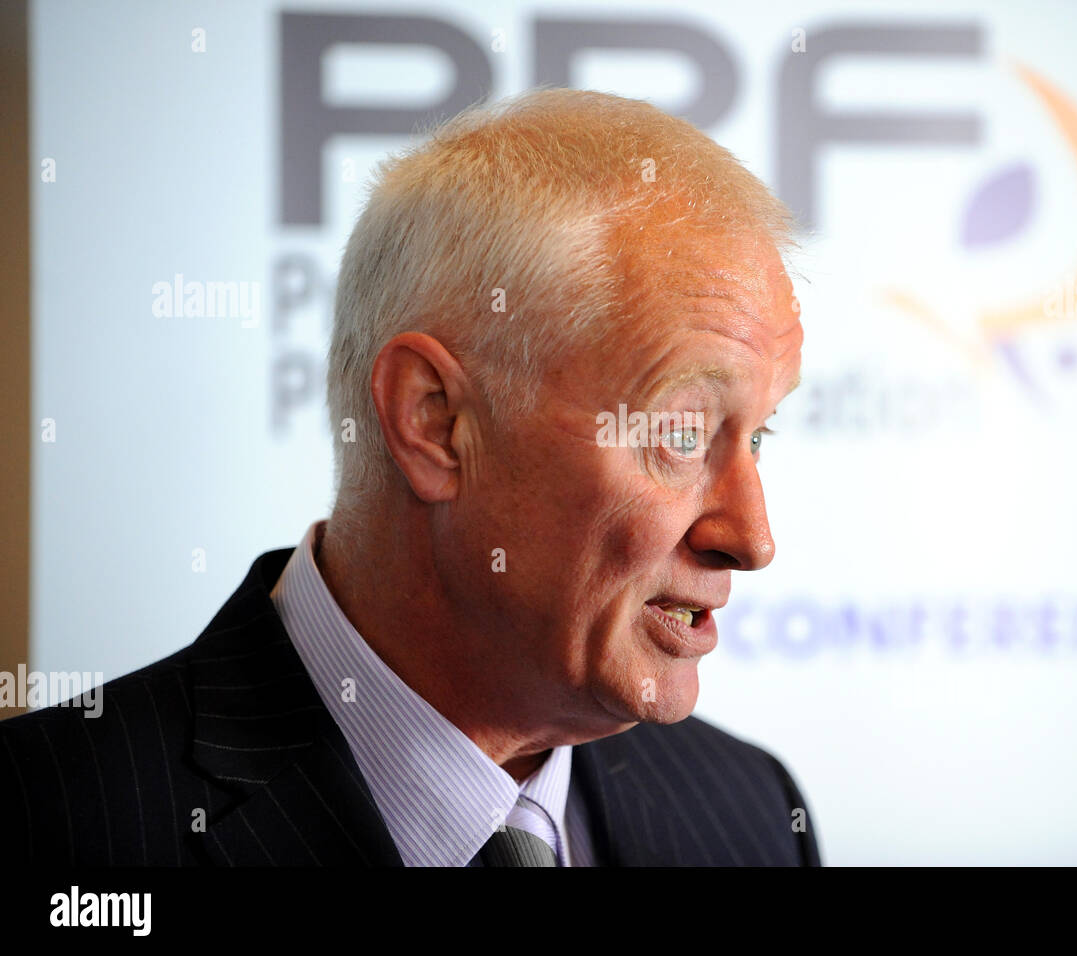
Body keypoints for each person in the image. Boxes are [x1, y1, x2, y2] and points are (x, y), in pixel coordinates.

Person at [0, 88, 818, 866]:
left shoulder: (751, 814)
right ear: (435, 423)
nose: (752, 538)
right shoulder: (48, 818)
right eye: (681, 433)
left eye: (758, 438)